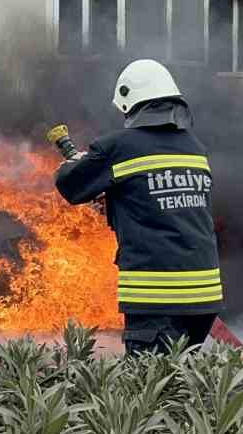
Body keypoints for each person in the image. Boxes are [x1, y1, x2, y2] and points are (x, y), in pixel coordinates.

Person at [53, 59, 222, 354]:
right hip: (204, 297)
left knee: (151, 391)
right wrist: (116, 202)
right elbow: (165, 205)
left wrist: (76, 164)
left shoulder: (119, 147)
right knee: (183, 387)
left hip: (156, 298)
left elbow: (71, 186)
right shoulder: (195, 147)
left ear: (130, 104)